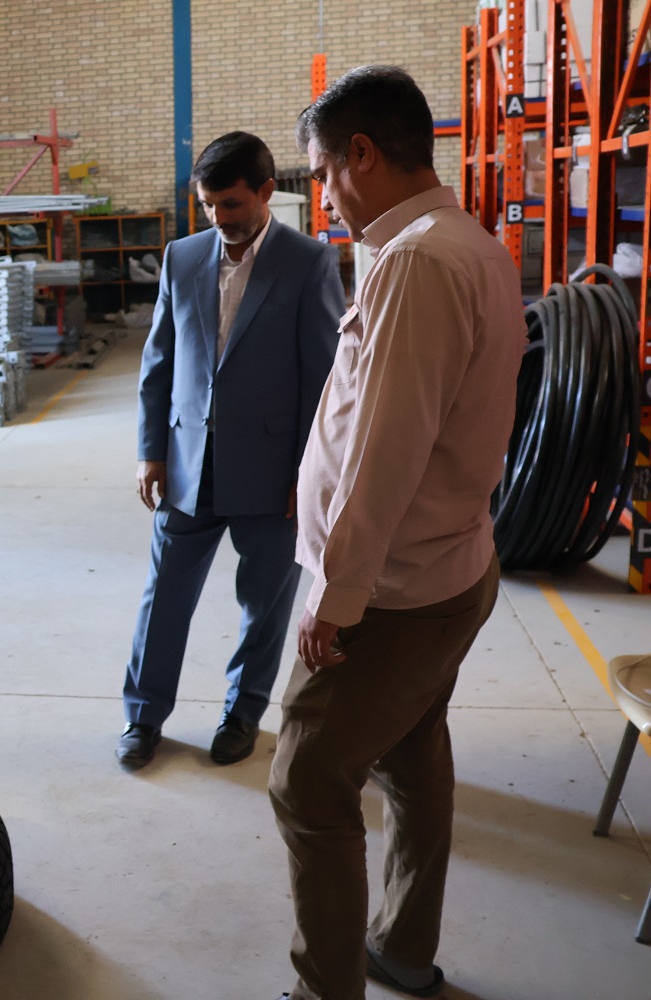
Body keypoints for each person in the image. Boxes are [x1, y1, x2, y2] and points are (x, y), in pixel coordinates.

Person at [268, 66, 524, 1000]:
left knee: (306, 782)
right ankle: (404, 947)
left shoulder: (416, 260)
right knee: (412, 755)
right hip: (450, 567)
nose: (323, 197)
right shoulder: (470, 245)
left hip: (393, 592)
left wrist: (337, 595)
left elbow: (387, 448)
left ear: (363, 155)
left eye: (321, 174)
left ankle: (326, 989)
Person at [116, 132, 342, 771]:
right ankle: (142, 716)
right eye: (209, 205)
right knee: (163, 598)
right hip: (188, 466)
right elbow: (159, 361)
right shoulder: (182, 257)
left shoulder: (308, 263)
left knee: (264, 605)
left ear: (267, 191)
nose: (219, 218)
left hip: (273, 477)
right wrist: (151, 450)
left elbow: (324, 382)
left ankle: (242, 712)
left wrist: (308, 476)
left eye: (232, 204)